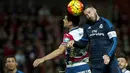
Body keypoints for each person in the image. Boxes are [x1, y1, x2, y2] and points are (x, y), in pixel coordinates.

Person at [67, 5, 122, 73]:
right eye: (86, 15)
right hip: (96, 63)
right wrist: (74, 43)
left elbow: (114, 41)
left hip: (110, 60)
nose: (89, 16)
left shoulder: (106, 23)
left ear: (95, 10)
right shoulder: (87, 26)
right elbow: (83, 43)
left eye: (89, 12)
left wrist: (108, 55)